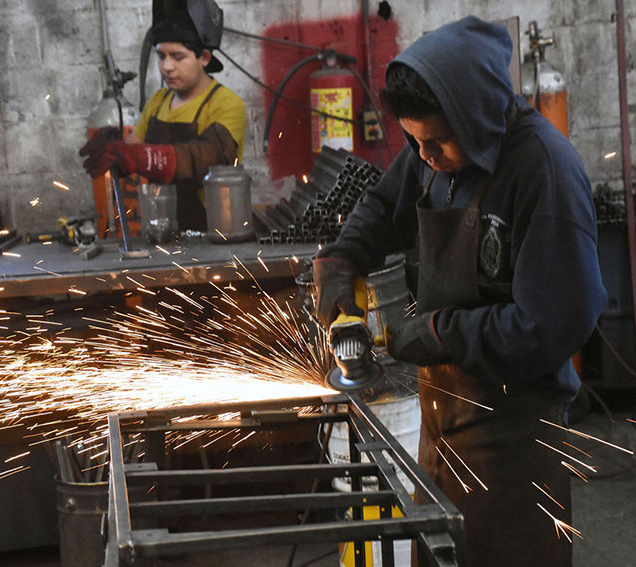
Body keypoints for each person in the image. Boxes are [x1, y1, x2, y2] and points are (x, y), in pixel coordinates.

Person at [313, 16, 606, 567]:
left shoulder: (543, 170)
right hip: (442, 430)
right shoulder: (432, 147)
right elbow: (379, 207)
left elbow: (554, 323)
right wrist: (341, 260)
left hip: (515, 447)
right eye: (415, 141)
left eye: (438, 143)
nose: (424, 156)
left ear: (476, 119)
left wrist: (438, 332)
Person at [79, 0, 246, 232]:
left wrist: (136, 156)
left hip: (215, 231)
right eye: (161, 56)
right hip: (165, 231)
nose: (167, 67)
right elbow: (134, 150)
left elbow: (204, 158)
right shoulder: (158, 102)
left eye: (178, 57)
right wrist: (116, 148)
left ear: (204, 57)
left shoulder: (226, 104)